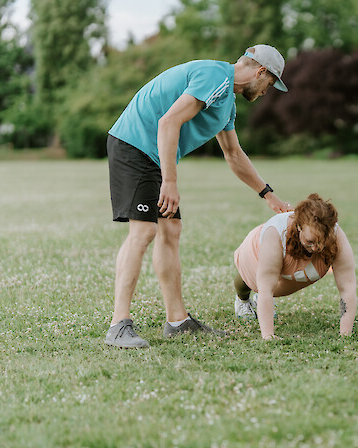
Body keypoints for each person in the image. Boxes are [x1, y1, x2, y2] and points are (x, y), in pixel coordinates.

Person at [105, 45, 293, 349]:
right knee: (144, 230)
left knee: (171, 229)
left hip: (153, 154)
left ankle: (177, 321)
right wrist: (170, 180)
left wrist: (268, 195)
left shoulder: (226, 101)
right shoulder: (214, 76)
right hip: (135, 144)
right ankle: (118, 324)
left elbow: (233, 154)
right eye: (269, 84)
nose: (266, 92)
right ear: (260, 72)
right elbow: (168, 122)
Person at [233, 194, 357, 339]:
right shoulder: (275, 234)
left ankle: (262, 301)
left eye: (322, 241)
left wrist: (345, 334)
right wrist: (268, 335)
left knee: (275, 286)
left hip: (294, 272)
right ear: (299, 227)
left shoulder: (335, 236)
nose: (317, 247)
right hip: (257, 253)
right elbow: (265, 288)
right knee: (254, 283)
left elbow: (347, 288)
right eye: (310, 241)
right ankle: (242, 300)